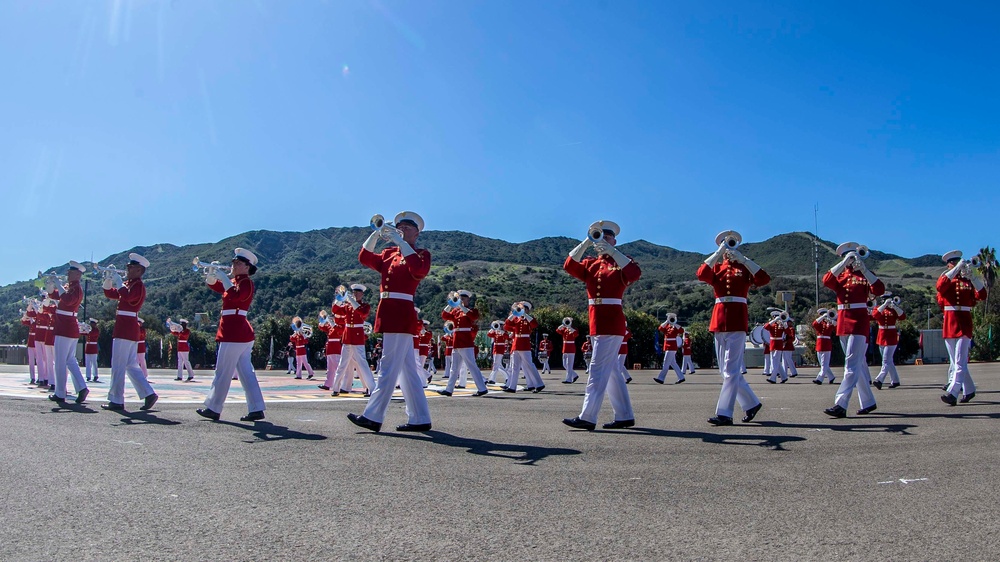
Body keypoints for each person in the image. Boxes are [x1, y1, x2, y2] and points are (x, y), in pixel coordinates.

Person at [348, 211, 433, 433]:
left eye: (407, 228)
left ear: (417, 232)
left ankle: (373, 416)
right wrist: (376, 234)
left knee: (387, 367)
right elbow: (364, 257)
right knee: (407, 372)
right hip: (388, 311)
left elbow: (418, 270)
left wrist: (400, 242)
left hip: (401, 313)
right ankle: (420, 417)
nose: (402, 230)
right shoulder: (389, 254)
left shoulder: (421, 254)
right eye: (399, 227)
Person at [562, 220, 640, 430]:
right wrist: (587, 241)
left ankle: (587, 416)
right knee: (612, 369)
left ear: (615, 240)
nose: (603, 240)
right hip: (596, 320)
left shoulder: (621, 261)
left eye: (608, 237)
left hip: (612, 321)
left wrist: (613, 252)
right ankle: (624, 415)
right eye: (600, 236)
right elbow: (569, 264)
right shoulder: (590, 264)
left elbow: (634, 273)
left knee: (596, 369)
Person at [698, 230, 769, 426]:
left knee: (730, 370)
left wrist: (744, 260)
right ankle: (751, 404)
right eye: (725, 244)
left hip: (737, 320)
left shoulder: (744, 268)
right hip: (719, 320)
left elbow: (763, 279)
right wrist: (718, 253)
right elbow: (701, 274)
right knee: (726, 372)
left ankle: (724, 413)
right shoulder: (718, 267)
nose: (729, 248)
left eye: (730, 244)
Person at [197, 248, 266, 422]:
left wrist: (225, 279)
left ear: (247, 267)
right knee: (246, 373)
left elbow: (236, 297)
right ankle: (256, 408)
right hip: (237, 332)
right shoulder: (236, 281)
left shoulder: (246, 283)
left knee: (222, 371)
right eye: (234, 262)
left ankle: (214, 407)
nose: (234, 265)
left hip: (234, 332)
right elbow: (218, 287)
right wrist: (211, 276)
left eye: (238, 263)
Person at [822, 242, 885, 418]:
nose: (851, 260)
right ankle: (868, 401)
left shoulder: (864, 275)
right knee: (858, 364)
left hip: (858, 321)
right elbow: (826, 280)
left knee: (850, 364)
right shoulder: (841, 275)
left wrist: (864, 269)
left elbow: (879, 289)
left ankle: (840, 403)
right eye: (848, 257)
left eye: (853, 256)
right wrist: (843, 264)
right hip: (843, 321)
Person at [100, 253, 158, 412]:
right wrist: (109, 278)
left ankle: (116, 399)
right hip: (125, 326)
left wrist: (119, 282)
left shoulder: (138, 285)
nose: (127, 269)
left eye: (131, 267)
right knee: (130, 365)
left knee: (118, 364)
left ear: (139, 270)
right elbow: (109, 293)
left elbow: (129, 298)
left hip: (126, 327)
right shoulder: (129, 283)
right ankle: (148, 393)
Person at [938, 251, 987, 405]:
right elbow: (940, 287)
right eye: (953, 263)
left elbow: (982, 295)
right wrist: (955, 269)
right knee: (956, 360)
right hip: (950, 322)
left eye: (958, 262)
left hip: (964, 322)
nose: (957, 265)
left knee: (959, 360)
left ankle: (952, 392)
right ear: (949, 265)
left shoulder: (967, 281)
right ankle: (970, 389)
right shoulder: (946, 278)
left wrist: (973, 277)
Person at [46, 261, 90, 404]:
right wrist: (51, 283)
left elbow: (67, 299)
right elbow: (54, 295)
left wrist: (58, 283)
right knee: (70, 360)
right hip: (66, 327)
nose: (67, 274)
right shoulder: (70, 287)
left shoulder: (76, 288)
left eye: (70, 272)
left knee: (60, 361)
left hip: (65, 328)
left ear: (77, 274)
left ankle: (60, 392)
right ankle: (82, 387)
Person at [438, 290, 489, 396]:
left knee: (472, 366)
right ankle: (449, 389)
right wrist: (450, 304)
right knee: (454, 368)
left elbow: (474, 317)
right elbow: (444, 316)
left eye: (463, 298)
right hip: (456, 342)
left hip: (466, 342)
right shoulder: (455, 311)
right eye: (459, 298)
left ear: (468, 299)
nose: (461, 300)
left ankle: (482, 388)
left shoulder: (471, 311)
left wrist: (461, 306)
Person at [332, 284, 377, 397]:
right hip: (348, 336)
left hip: (357, 336)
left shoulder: (364, 306)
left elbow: (363, 313)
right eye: (353, 292)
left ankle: (371, 388)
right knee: (343, 363)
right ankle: (335, 388)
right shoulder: (348, 306)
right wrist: (339, 299)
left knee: (362, 363)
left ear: (362, 294)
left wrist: (351, 300)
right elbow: (335, 310)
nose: (355, 294)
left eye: (357, 293)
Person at [503, 301, 545, 393]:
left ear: (527, 310)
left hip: (524, 345)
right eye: (520, 308)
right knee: (515, 366)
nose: (521, 309)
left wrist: (525, 314)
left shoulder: (528, 319)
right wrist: (514, 313)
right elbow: (506, 325)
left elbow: (534, 324)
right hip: (516, 345)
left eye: (523, 308)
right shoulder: (516, 319)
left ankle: (539, 384)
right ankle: (512, 387)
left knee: (529, 364)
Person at [872, 296, 906, 389]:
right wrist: (884, 305)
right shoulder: (879, 308)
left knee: (886, 360)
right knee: (889, 361)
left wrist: (895, 307)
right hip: (882, 336)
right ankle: (895, 381)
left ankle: (879, 380)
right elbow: (874, 315)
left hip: (891, 337)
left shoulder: (893, 309)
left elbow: (903, 316)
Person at [316, 309, 343, 391]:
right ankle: (328, 384)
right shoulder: (329, 326)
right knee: (330, 368)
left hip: (336, 347)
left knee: (338, 366)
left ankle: (344, 382)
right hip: (330, 348)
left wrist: (332, 322)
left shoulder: (339, 325)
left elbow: (340, 332)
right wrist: (325, 320)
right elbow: (321, 327)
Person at [653, 313, 684, 384]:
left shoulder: (675, 327)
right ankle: (681, 377)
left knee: (666, 363)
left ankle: (661, 378)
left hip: (672, 347)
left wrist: (675, 323)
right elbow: (660, 328)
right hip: (667, 347)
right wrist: (667, 321)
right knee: (673, 363)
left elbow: (682, 330)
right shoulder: (667, 326)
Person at [812, 309, 837, 385]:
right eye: (822, 314)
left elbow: (836, 328)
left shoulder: (830, 323)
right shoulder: (820, 323)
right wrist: (822, 317)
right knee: (823, 364)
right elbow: (814, 324)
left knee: (824, 364)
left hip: (826, 344)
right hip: (819, 344)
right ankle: (831, 377)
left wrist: (833, 321)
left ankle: (819, 379)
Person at [764, 312, 788, 384]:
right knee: (775, 361)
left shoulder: (782, 325)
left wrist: (784, 324)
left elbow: (788, 332)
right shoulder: (772, 324)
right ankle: (784, 377)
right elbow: (765, 327)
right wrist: (774, 321)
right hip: (772, 344)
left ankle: (773, 378)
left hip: (778, 344)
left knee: (775, 361)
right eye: (775, 317)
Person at [556, 317, 579, 384]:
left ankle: (568, 379)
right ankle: (574, 375)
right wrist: (563, 325)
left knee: (569, 365)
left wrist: (570, 328)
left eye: (569, 322)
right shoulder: (564, 329)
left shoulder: (574, 329)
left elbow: (576, 334)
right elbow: (557, 330)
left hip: (571, 348)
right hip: (565, 348)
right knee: (564, 364)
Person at [83, 318, 101, 383]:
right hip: (88, 347)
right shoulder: (89, 330)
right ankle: (88, 376)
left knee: (94, 362)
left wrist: (87, 330)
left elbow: (92, 334)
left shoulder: (96, 330)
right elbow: (83, 333)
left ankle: (95, 375)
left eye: (92, 323)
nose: (91, 324)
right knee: (88, 363)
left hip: (93, 347)